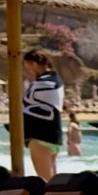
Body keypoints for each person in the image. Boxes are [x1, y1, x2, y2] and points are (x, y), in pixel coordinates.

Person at [20, 50, 65, 179]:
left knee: (45, 182)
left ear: (34, 64)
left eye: (28, 68)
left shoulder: (42, 83)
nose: (28, 72)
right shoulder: (56, 80)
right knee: (52, 181)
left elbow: (26, 104)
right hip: (54, 136)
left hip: (40, 136)